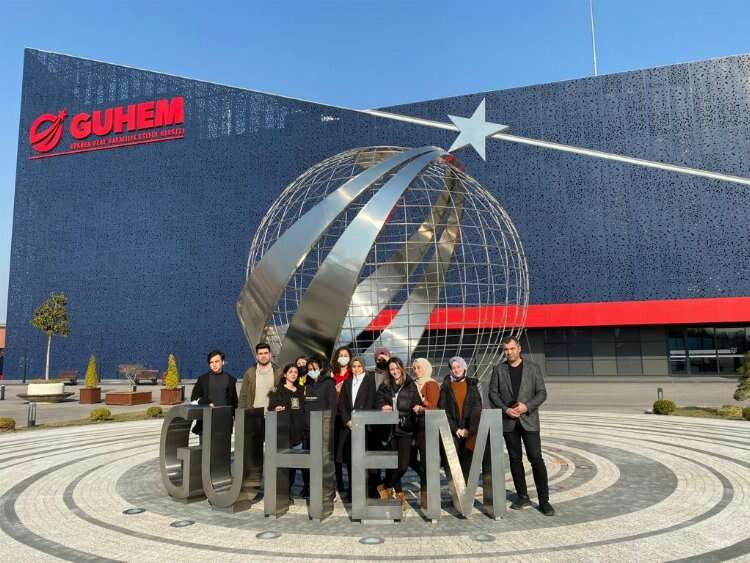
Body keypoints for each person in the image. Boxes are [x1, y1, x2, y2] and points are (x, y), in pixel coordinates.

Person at [489, 335, 554, 516]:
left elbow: (542, 393)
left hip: (529, 420)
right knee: (515, 460)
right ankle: (522, 496)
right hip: (509, 422)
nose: (509, 352)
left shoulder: (533, 368)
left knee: (536, 459)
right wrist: (505, 410)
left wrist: (527, 406)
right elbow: (493, 394)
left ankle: (544, 501)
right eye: (505, 350)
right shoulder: (498, 370)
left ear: (519, 348)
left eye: (511, 349)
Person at [375, 357, 421, 510]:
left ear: (401, 368)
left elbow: (416, 401)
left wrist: (417, 407)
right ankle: (398, 496)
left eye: (396, 368)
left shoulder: (410, 384)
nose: (394, 371)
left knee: (403, 465)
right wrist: (383, 406)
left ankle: (384, 486)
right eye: (391, 369)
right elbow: (378, 400)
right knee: (392, 465)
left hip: (405, 428)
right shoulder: (385, 385)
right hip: (389, 429)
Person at [238, 342, 280, 488]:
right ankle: (255, 481)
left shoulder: (278, 372)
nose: (263, 356)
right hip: (254, 416)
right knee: (254, 451)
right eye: (260, 354)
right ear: (256, 356)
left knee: (273, 450)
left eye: (265, 353)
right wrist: (242, 414)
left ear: (270, 354)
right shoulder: (250, 372)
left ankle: (272, 482)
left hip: (272, 417)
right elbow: (243, 395)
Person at [336, 357, 377, 502]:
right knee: (350, 461)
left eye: (359, 366)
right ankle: (352, 492)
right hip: (348, 427)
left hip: (363, 426)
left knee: (363, 461)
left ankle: (367, 490)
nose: (356, 369)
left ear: (363, 367)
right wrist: (347, 420)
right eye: (354, 366)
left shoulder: (370, 381)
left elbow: (371, 402)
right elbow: (342, 404)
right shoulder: (347, 382)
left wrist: (359, 420)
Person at [438, 356, 482, 479]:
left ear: (464, 368)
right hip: (453, 430)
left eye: (458, 367)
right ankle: (455, 488)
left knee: (467, 461)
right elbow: (443, 410)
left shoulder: (473, 385)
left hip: (469, 430)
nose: (456, 370)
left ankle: (465, 488)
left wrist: (468, 429)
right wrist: (455, 429)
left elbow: (477, 408)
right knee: (451, 461)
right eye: (453, 368)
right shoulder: (445, 387)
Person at [301, 356, 336, 498]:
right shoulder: (306, 384)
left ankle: (329, 490)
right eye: (309, 369)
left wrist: (329, 427)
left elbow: (332, 407)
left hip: (323, 429)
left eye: (314, 368)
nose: (312, 371)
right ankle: (310, 487)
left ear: (320, 369)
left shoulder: (328, 383)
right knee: (309, 461)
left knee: (325, 462)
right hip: (308, 429)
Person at [268, 364, 305, 498]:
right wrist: (276, 408)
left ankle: (289, 489)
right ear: (285, 374)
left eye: (295, 372)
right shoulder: (277, 390)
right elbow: (271, 407)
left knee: (293, 463)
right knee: (282, 463)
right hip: (283, 433)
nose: (293, 374)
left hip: (297, 432)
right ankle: (281, 491)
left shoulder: (300, 390)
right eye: (290, 372)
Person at [409, 357, 440, 508]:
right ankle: (426, 481)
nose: (416, 371)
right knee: (411, 460)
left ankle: (427, 499)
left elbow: (433, 407)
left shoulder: (431, 384)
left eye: (419, 367)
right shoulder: (413, 383)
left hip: (426, 428)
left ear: (426, 368)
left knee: (427, 463)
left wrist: (422, 408)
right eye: (414, 368)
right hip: (414, 428)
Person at [190, 350, 239, 441]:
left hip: (224, 423)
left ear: (223, 362)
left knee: (223, 449)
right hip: (205, 423)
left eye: (217, 361)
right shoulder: (203, 379)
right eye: (211, 362)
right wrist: (207, 402)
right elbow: (194, 398)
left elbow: (234, 402)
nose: (214, 364)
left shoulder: (230, 380)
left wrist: (238, 422)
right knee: (205, 449)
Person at [331, 346, 352, 499]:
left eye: (345, 355)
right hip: (334, 417)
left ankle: (352, 487)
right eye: (341, 355)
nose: (343, 357)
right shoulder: (332, 375)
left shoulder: (352, 374)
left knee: (349, 453)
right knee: (335, 454)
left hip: (348, 418)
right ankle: (338, 485)